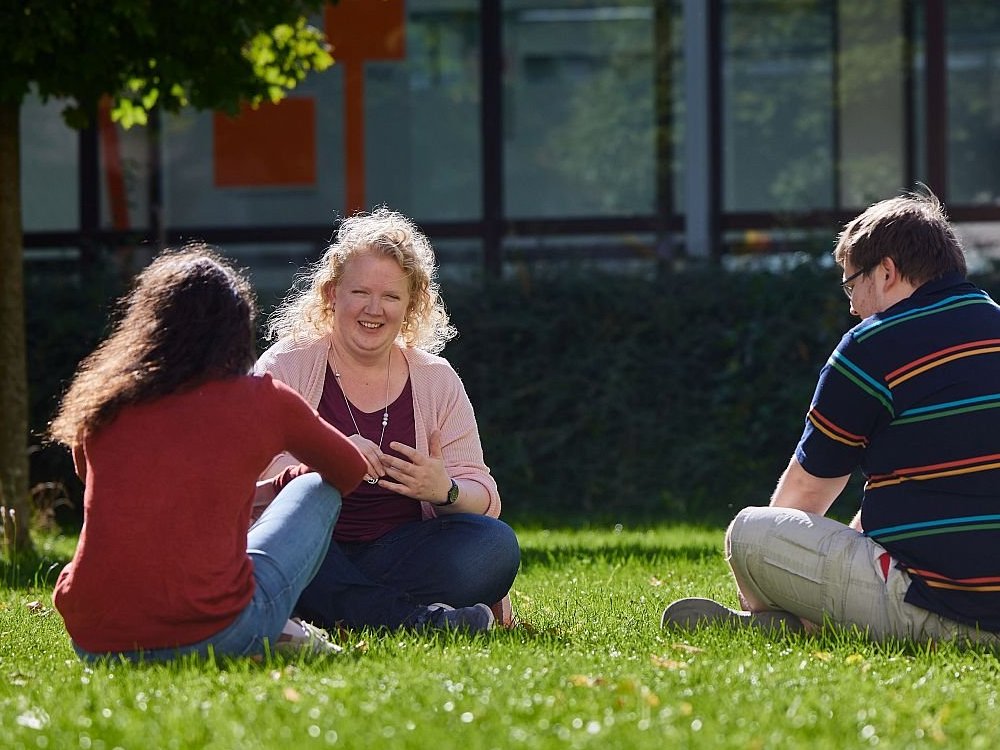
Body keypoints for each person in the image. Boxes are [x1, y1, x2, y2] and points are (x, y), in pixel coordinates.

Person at [662, 190, 1000, 644]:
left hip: (940, 610)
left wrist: (777, 585)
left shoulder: (873, 346)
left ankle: (795, 621)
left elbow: (803, 497)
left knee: (750, 532)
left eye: (850, 284)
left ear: (886, 272)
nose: (852, 306)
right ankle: (808, 621)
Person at [49, 245, 368, 662]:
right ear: (237, 329)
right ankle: (272, 629)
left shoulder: (105, 401)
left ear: (145, 324)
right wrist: (287, 482)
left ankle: (278, 631)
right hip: (213, 634)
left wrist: (257, 489)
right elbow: (349, 470)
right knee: (317, 487)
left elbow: (95, 479)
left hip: (94, 643)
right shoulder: (263, 401)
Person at [255, 206, 520, 632]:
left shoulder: (437, 378)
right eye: (360, 292)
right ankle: (415, 620)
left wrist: (445, 491)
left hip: (397, 551)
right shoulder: (286, 364)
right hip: (312, 549)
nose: (373, 309)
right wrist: (331, 458)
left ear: (411, 306)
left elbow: (484, 495)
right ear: (331, 294)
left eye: (391, 296)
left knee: (494, 546)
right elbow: (247, 478)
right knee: (284, 559)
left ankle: (332, 609)